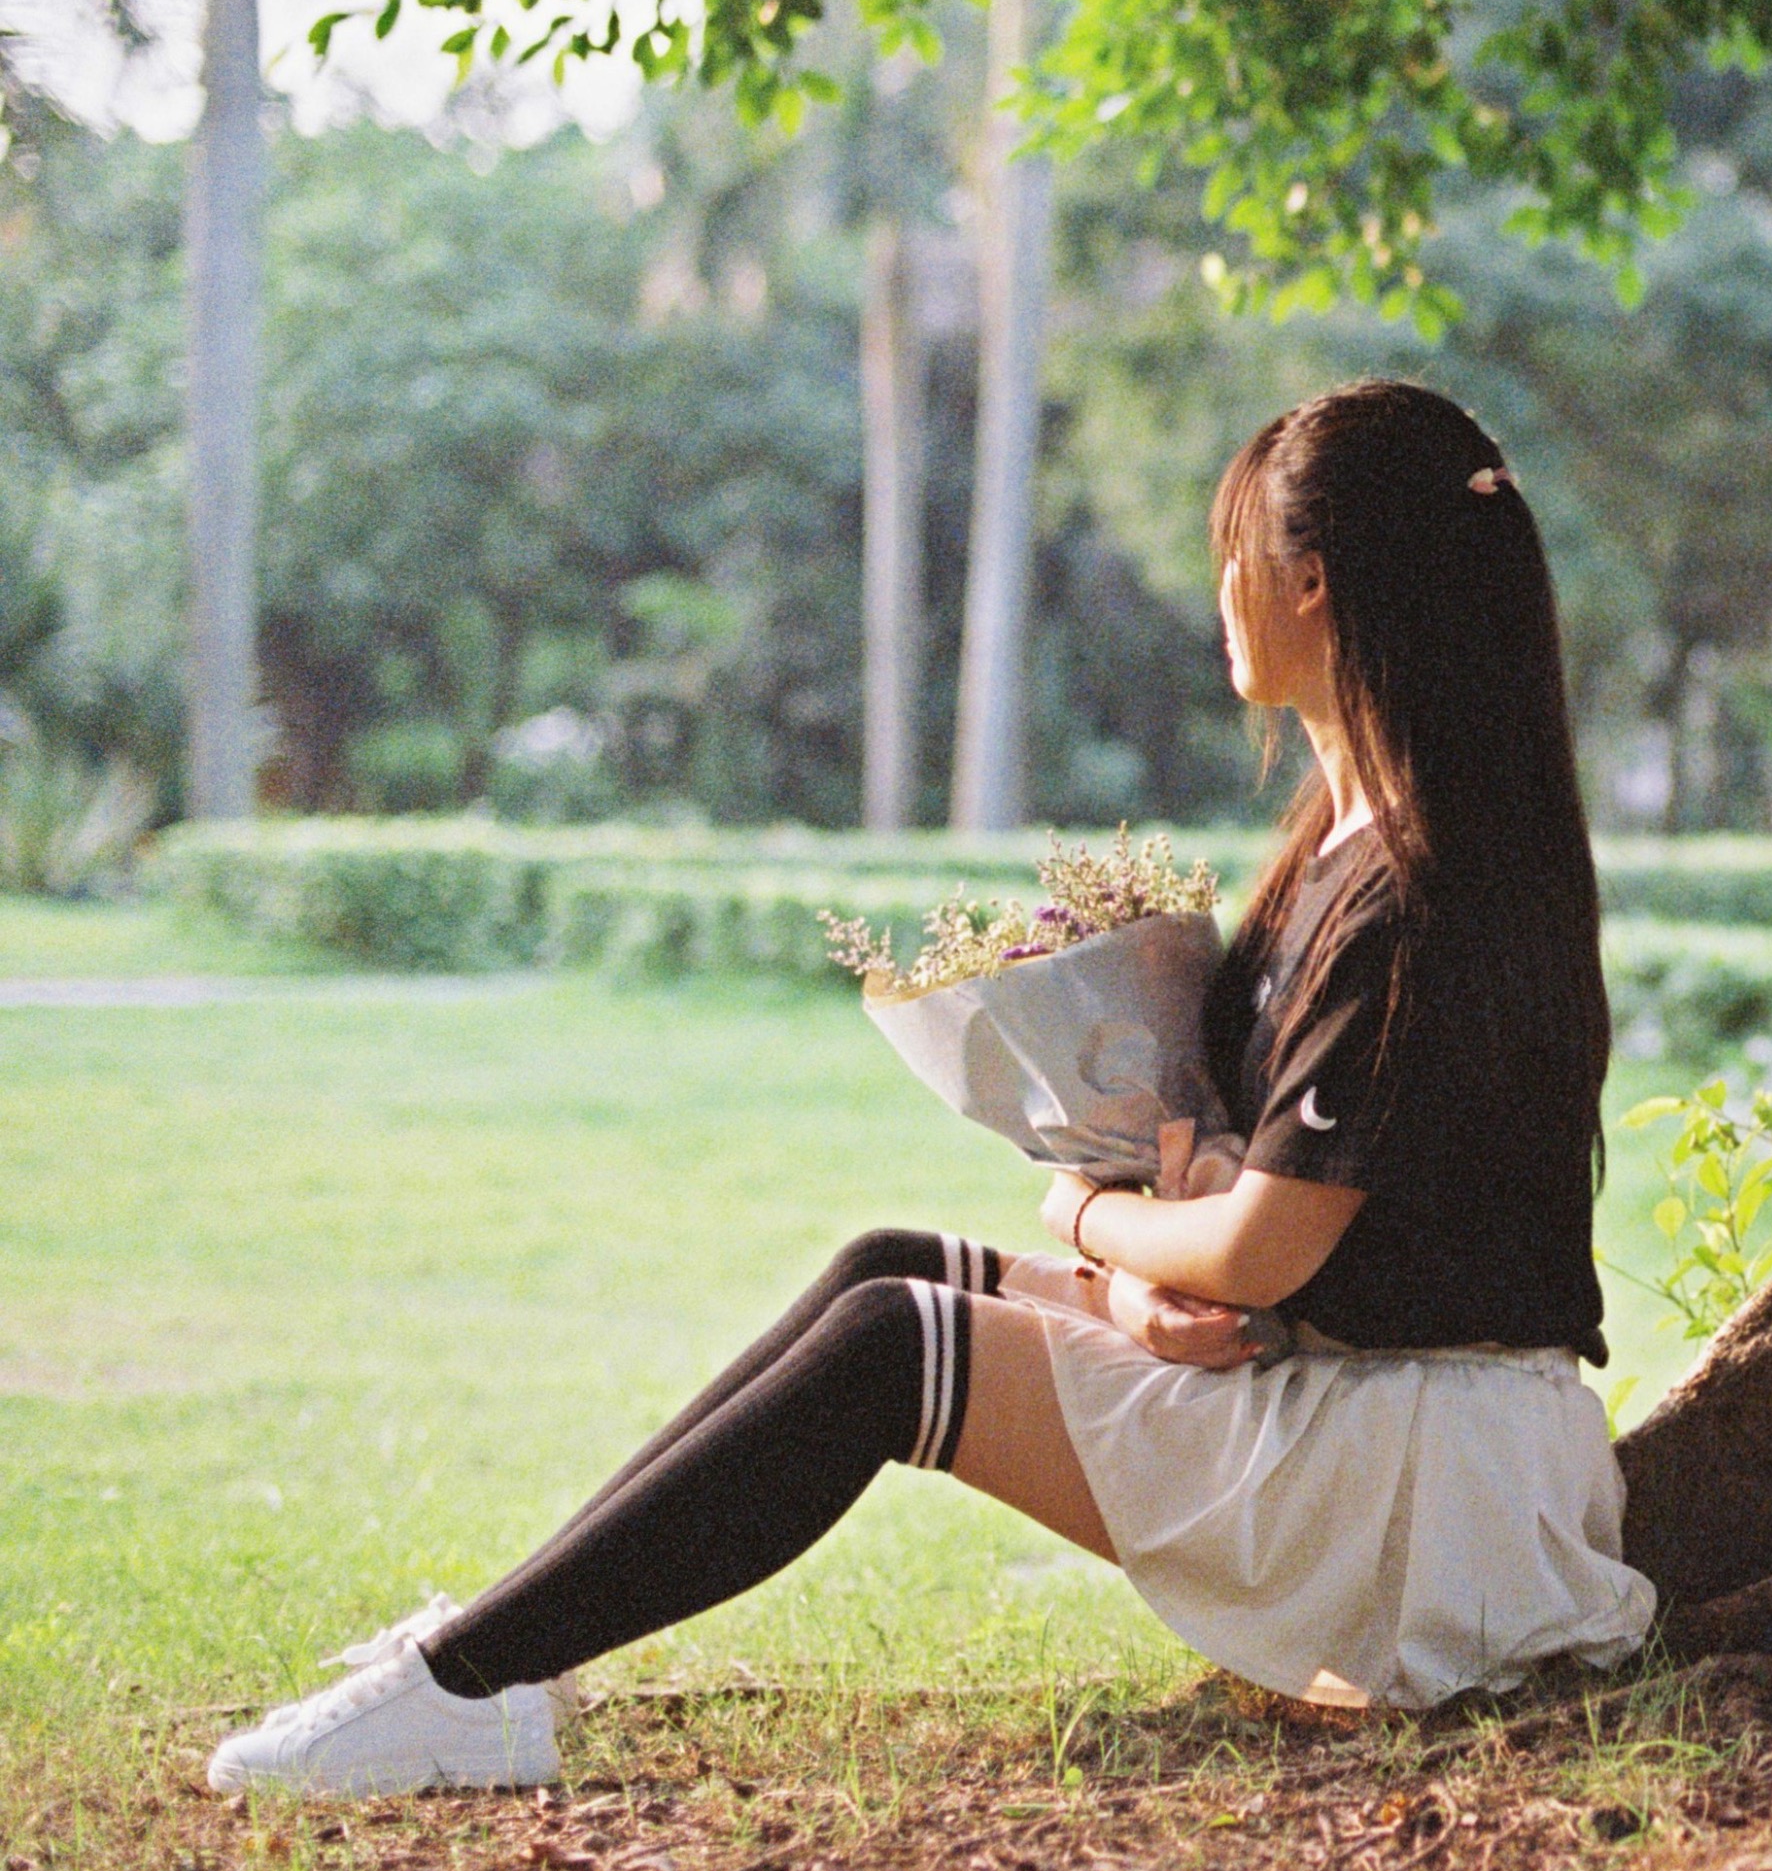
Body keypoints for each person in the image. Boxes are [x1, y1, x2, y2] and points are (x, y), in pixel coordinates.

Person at [209, 381, 1656, 1796]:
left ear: (1314, 585)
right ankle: (511, 1650)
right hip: (1362, 1403)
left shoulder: (1411, 886)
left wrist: (1090, 1222)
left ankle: (462, 1691)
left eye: (1238, 552)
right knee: (890, 1267)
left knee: (899, 1347)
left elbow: (1262, 1244)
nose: (1219, 586)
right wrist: (1153, 1290)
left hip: (1418, 1482)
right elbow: (1287, 1227)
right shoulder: (1351, 851)